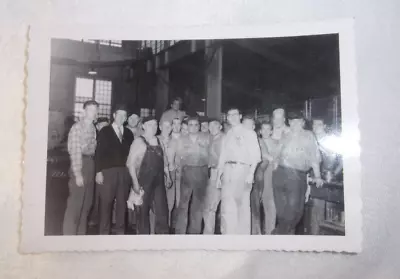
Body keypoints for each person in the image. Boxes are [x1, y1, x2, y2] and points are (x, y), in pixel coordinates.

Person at [272, 110, 323, 235]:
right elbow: (276, 154)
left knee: (296, 211)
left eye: (298, 121)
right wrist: (275, 167)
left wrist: (317, 176)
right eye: (292, 122)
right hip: (280, 174)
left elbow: (314, 157)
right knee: (282, 211)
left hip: (296, 175)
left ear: (303, 123)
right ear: (289, 122)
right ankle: (284, 239)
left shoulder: (308, 135)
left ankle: (278, 233)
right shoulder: (285, 135)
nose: (295, 124)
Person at [217, 108, 261, 234]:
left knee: (242, 205)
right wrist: (219, 175)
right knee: (226, 205)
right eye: (229, 115)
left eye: (235, 114)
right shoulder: (228, 134)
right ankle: (228, 236)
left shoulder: (249, 133)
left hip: (243, 169)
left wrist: (251, 174)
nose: (232, 117)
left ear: (240, 116)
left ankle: (242, 239)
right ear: (227, 118)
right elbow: (223, 155)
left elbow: (256, 156)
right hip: (227, 171)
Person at [126, 116, 171, 234]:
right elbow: (130, 164)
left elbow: (164, 161)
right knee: (142, 213)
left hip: (159, 182)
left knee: (162, 212)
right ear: (143, 126)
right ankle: (143, 241)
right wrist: (135, 184)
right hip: (143, 182)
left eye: (155, 125)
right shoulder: (139, 141)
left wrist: (168, 176)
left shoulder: (159, 140)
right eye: (150, 125)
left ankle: (161, 240)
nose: (154, 128)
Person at [95, 105, 134, 235]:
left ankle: (120, 232)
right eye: (119, 115)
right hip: (108, 172)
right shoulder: (105, 131)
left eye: (124, 116)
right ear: (114, 115)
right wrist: (98, 172)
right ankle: (103, 233)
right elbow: (98, 153)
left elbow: (131, 155)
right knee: (106, 204)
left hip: (124, 172)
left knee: (122, 204)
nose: (122, 117)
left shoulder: (128, 133)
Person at [63, 100, 98, 235]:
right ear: (84, 111)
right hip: (80, 164)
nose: (93, 113)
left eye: (95, 110)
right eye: (90, 110)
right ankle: (69, 238)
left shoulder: (93, 128)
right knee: (75, 206)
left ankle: (80, 237)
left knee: (86, 205)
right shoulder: (77, 128)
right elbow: (75, 151)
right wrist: (78, 173)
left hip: (90, 164)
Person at [308, 117, 344, 234]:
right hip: (314, 178)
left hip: (330, 181)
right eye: (314, 125)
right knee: (316, 209)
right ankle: (315, 239)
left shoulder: (331, 140)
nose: (315, 127)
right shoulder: (310, 141)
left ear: (324, 126)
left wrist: (335, 173)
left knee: (330, 212)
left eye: (319, 124)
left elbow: (343, 158)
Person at [174, 116, 210, 234]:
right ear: (187, 127)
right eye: (190, 125)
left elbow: (208, 155)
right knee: (183, 204)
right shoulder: (181, 139)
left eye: (196, 125)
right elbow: (180, 156)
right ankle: (180, 233)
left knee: (198, 204)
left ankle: (195, 233)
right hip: (187, 172)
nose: (193, 127)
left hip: (202, 172)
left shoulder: (206, 137)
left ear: (199, 126)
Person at [250, 121, 278, 235]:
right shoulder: (255, 141)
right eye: (263, 129)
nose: (266, 131)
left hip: (270, 178)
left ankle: (269, 234)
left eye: (268, 129)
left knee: (270, 206)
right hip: (256, 176)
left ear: (271, 131)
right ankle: (255, 234)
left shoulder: (277, 143)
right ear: (260, 131)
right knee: (255, 207)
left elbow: (278, 160)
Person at [203, 118, 224, 234]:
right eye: (210, 126)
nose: (212, 128)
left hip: (218, 173)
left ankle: (208, 235)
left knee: (211, 207)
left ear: (220, 127)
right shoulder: (212, 138)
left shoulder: (222, 139)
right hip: (212, 173)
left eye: (215, 126)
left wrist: (219, 177)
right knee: (210, 206)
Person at [157, 119, 176, 230]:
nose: (167, 129)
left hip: (171, 173)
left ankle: (165, 229)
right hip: (158, 174)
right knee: (157, 203)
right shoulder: (155, 140)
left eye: (169, 126)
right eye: (165, 126)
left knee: (169, 203)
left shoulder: (174, 142)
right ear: (160, 127)